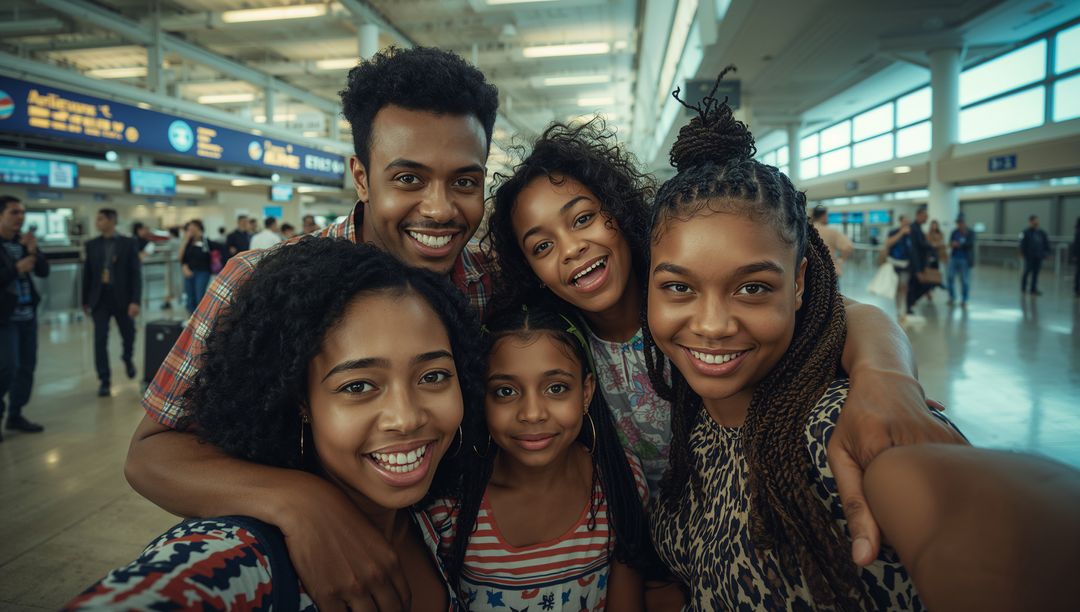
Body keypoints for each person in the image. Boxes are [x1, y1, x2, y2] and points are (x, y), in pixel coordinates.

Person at [642, 78, 1080, 610]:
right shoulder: (692, 415)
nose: (711, 325)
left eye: (752, 287)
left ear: (800, 283)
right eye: (679, 287)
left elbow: (1006, 529)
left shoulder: (843, 428)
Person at [485, 118, 962, 564]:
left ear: (620, 211)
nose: (571, 248)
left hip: (738, 522)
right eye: (542, 246)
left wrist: (886, 375)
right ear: (532, 271)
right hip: (656, 540)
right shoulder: (563, 346)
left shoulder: (691, 292)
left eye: (583, 218)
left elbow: (842, 312)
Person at [126, 46, 499, 611]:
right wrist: (300, 503)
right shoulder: (258, 285)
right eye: (409, 178)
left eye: (465, 182)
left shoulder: (491, 285)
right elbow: (150, 455)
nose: (441, 208)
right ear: (362, 176)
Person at [66, 238, 481, 610]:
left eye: (433, 376)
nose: (406, 418)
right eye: (358, 386)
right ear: (301, 402)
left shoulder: (439, 522)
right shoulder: (243, 558)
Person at [430, 302, 657, 610]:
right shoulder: (449, 508)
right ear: (481, 398)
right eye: (505, 391)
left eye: (556, 388)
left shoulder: (620, 483)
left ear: (586, 392)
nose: (532, 414)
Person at [0, 195, 48, 438]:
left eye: (22, 212)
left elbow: (43, 270)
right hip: (4, 318)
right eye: (14, 212)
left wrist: (33, 251)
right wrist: (15, 269)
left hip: (27, 315)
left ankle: (15, 414)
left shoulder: (22, 242)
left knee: (27, 367)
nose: (20, 217)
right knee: (7, 367)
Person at [83, 209, 142, 397]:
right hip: (100, 299)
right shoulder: (91, 245)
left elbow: (136, 274)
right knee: (100, 339)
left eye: (100, 219)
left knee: (129, 334)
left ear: (111, 221)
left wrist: (135, 301)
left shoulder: (128, 243)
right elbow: (87, 274)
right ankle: (104, 380)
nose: (97, 222)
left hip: (123, 299)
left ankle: (127, 357)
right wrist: (84, 300)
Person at [178, 219, 213, 313]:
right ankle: (191, 321)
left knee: (199, 297)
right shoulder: (188, 243)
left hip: (203, 272)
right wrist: (185, 241)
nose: (190, 230)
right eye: (189, 229)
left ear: (198, 228)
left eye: (193, 228)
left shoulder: (206, 241)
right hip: (189, 272)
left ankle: (201, 320)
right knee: (190, 299)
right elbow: (180, 258)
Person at [904, 206, 933, 313]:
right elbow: (914, 251)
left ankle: (911, 304)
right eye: (925, 216)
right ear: (919, 215)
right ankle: (909, 306)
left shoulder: (918, 228)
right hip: (915, 265)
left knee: (922, 285)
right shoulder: (913, 229)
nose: (926, 219)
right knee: (915, 286)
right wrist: (917, 270)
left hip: (919, 264)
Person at [811, 205, 853, 276]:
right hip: (829, 272)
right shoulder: (831, 232)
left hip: (811, 271)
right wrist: (840, 260)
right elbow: (848, 246)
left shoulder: (806, 230)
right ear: (824, 216)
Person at [947, 214, 975, 306]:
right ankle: (952, 297)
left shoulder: (970, 232)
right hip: (954, 258)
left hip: (965, 259)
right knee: (950, 277)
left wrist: (959, 245)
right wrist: (952, 244)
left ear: (964, 222)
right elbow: (950, 242)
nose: (959, 224)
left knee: (964, 280)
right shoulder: (954, 232)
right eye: (958, 223)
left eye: (961, 222)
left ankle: (964, 299)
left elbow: (970, 244)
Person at [1020, 214, 1050, 296]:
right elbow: (1022, 243)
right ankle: (1023, 288)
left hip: (1038, 256)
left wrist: (1047, 253)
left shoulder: (1041, 233)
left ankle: (1033, 289)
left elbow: (1046, 243)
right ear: (1030, 221)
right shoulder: (1025, 232)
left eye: (1037, 220)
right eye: (1034, 220)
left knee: (1036, 273)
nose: (1036, 222)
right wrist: (1022, 252)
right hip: (1029, 256)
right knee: (1027, 271)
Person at [1072, 217, 1079, 297]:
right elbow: (1076, 245)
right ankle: (1077, 289)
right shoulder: (1078, 232)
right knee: (1078, 273)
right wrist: (1075, 255)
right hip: (1078, 256)